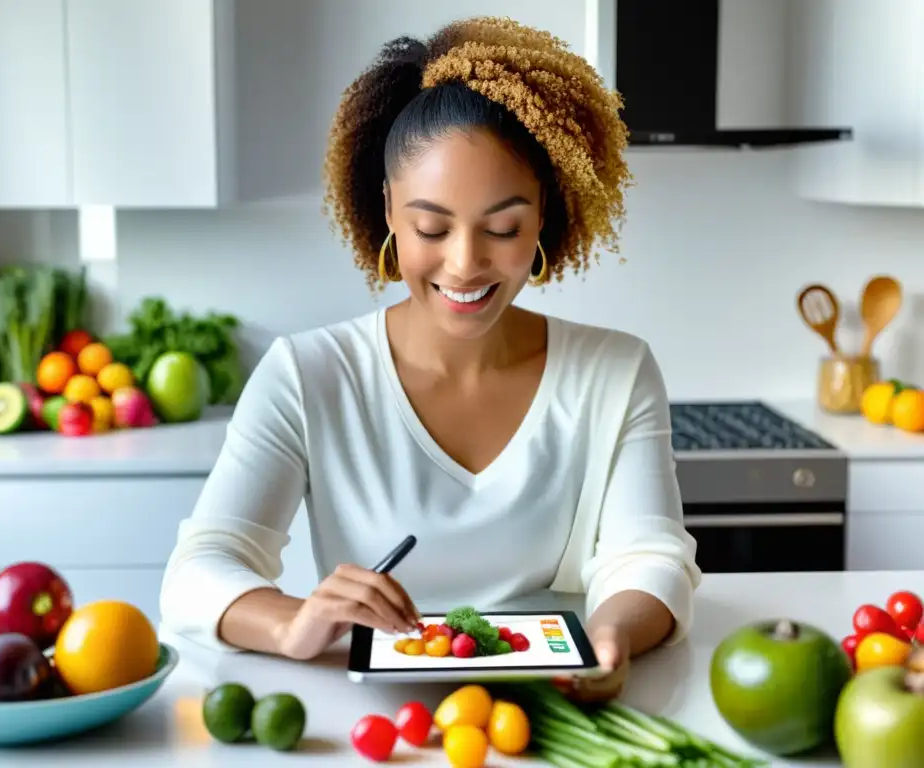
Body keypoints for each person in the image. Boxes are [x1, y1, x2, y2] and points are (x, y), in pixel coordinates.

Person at [159, 16, 701, 702]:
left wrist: (612, 635)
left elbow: (649, 558)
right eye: (431, 227)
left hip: (551, 715)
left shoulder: (614, 372)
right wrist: (294, 623)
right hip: (373, 733)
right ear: (387, 209)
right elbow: (197, 571)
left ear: (544, 216)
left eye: (502, 228)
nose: (465, 263)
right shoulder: (308, 374)